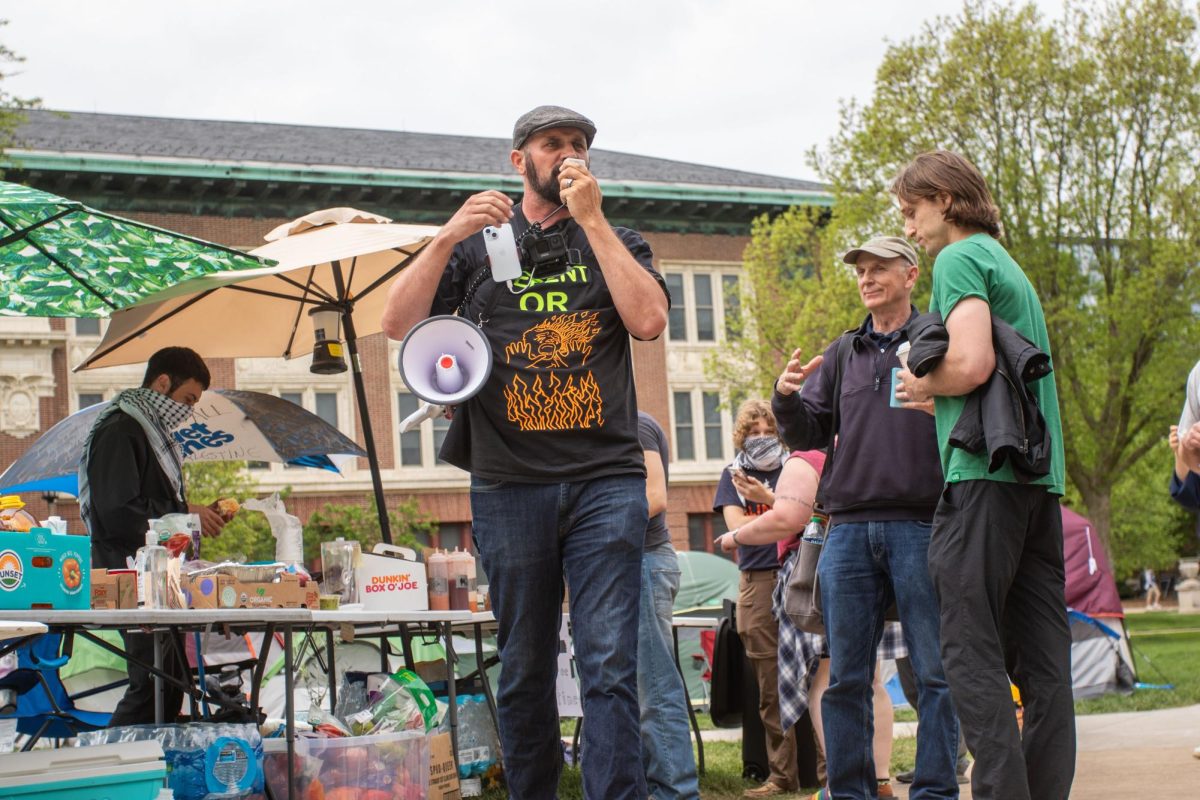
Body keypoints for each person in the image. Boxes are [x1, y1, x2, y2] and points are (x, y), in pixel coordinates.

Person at [381, 105, 669, 800]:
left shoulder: (617, 239)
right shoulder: (479, 249)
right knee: (524, 665)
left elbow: (651, 320)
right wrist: (448, 235)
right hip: (509, 482)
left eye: (578, 145)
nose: (568, 154)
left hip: (605, 477)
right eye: (552, 144)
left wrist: (594, 222)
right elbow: (397, 325)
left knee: (608, 665)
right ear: (519, 161)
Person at [893, 150, 1074, 800]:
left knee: (967, 649)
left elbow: (968, 364)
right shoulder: (1009, 265)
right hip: (1037, 483)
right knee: (1046, 663)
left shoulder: (960, 259)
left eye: (911, 212)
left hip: (981, 475)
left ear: (943, 198)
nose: (910, 230)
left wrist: (923, 381)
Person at [770, 234, 958, 800]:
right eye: (861, 270)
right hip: (846, 531)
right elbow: (807, 432)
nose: (868, 278)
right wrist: (785, 398)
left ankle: (934, 790)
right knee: (847, 677)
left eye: (880, 269)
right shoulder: (844, 351)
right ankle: (849, 792)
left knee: (934, 676)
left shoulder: (940, 340)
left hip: (920, 525)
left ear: (909, 275)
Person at [78, 346, 230, 725]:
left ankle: (151, 766)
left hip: (158, 582)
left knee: (171, 682)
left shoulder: (151, 432)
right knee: (152, 682)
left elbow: (152, 502)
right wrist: (182, 512)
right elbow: (117, 510)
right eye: (187, 399)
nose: (189, 410)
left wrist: (192, 513)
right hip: (129, 579)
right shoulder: (121, 428)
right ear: (162, 382)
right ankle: (112, 765)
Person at [712, 400, 795, 798]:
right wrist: (779, 516)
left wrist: (767, 510)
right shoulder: (733, 474)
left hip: (799, 575)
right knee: (769, 685)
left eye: (768, 431)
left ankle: (827, 771)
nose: (762, 438)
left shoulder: (795, 467)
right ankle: (781, 775)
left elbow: (806, 517)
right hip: (757, 581)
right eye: (753, 432)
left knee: (816, 677)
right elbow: (736, 528)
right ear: (742, 437)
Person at [636, 411, 700, 800]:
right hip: (625, 565)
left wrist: (595, 532)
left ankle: (676, 793)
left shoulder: (636, 424)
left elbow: (655, 498)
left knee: (656, 687)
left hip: (644, 561)